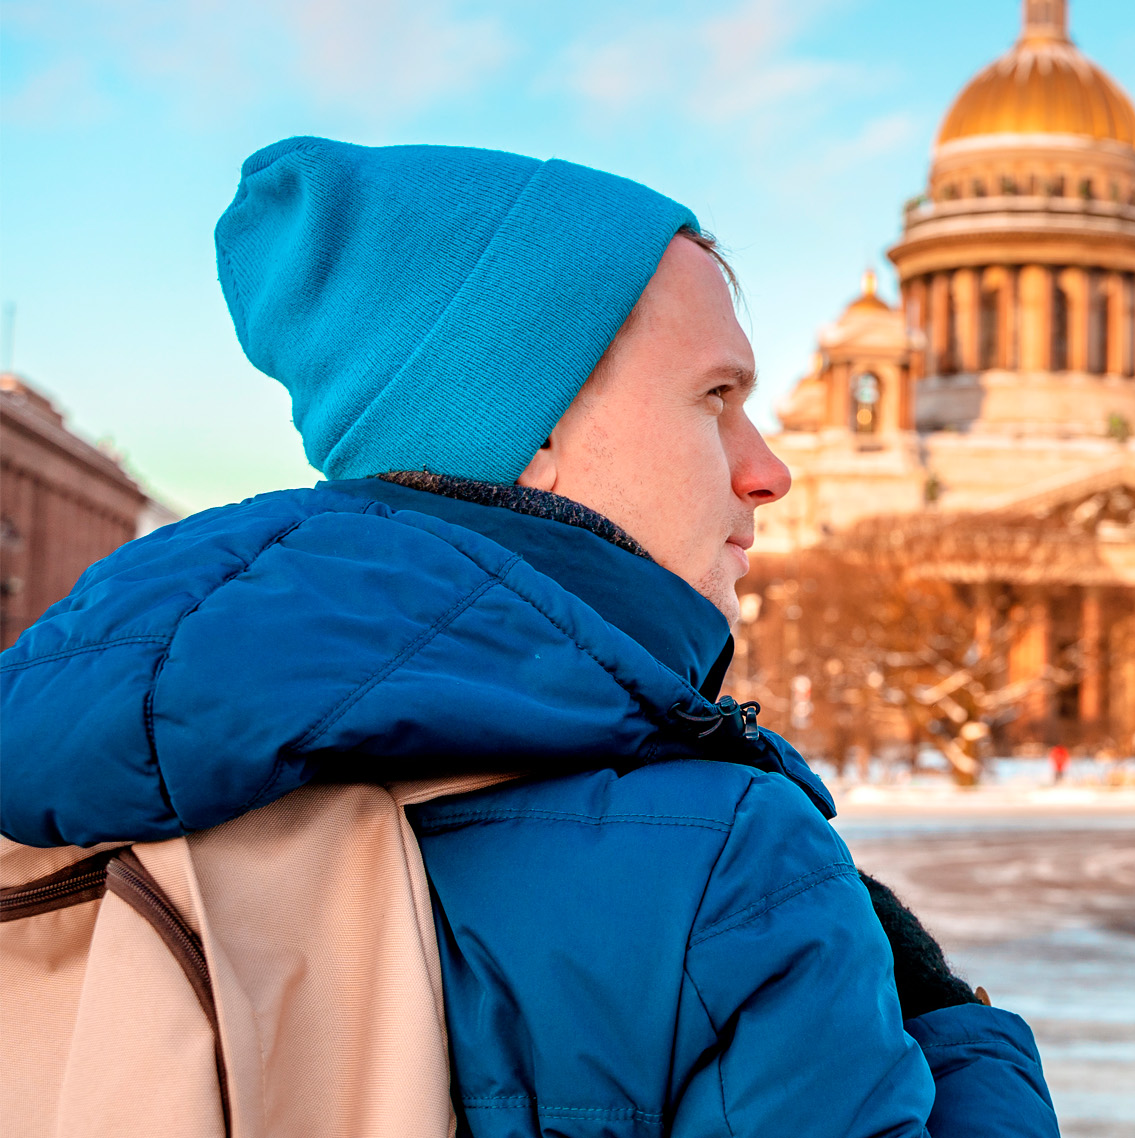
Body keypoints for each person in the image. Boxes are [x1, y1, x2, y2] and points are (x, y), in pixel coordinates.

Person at [0, 137, 1057, 1136]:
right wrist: (960, 1034)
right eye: (716, 398)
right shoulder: (728, 861)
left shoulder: (72, 765)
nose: (767, 466)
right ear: (533, 429)